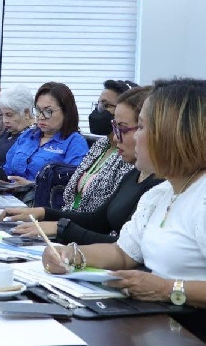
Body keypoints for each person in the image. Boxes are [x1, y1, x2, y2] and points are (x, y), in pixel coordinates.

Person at [42, 78, 206, 341]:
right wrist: (71, 254)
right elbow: (123, 253)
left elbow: (164, 288)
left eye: (140, 127)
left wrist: (168, 289)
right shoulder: (160, 193)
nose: (132, 136)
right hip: (155, 326)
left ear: (172, 134)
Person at [0, 86, 163, 245]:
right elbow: (98, 219)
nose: (115, 137)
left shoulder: (156, 184)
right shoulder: (133, 173)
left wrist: (60, 228)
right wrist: (42, 213)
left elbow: (126, 248)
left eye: (123, 128)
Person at [61, 79, 138, 212]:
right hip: (69, 217)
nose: (99, 111)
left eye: (106, 105)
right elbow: (70, 194)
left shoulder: (129, 155)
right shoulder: (100, 145)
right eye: (98, 105)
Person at [3, 82, 89, 186]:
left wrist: (32, 185)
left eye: (48, 111)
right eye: (38, 110)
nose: (41, 117)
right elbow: (7, 168)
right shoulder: (28, 135)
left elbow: (72, 185)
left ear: (66, 112)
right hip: (10, 195)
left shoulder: (75, 143)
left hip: (41, 200)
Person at [0, 85, 35, 167]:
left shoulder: (33, 135)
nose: (5, 121)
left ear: (26, 113)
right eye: (3, 115)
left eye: (9, 115)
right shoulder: (11, 130)